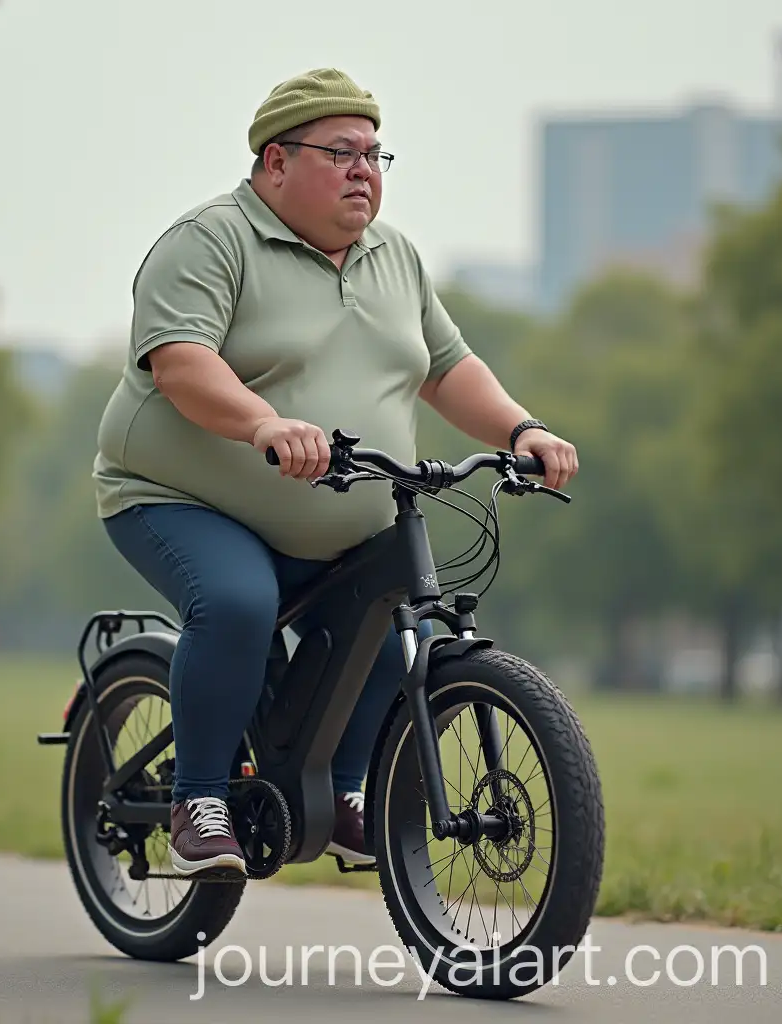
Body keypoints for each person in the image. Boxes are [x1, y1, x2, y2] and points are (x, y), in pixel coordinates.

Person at [93, 68, 578, 880]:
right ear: (275, 162)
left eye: (377, 154)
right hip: (180, 497)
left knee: (396, 631)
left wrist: (522, 427)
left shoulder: (396, 258)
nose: (365, 170)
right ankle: (199, 799)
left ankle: (344, 794)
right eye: (343, 151)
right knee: (238, 604)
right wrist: (263, 423)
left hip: (341, 509)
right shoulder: (211, 241)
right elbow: (180, 364)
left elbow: (448, 367)